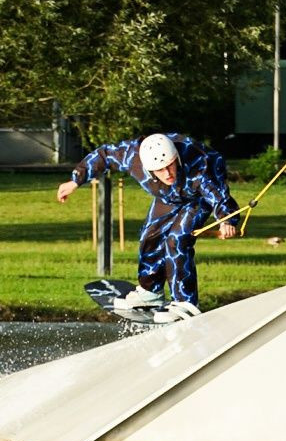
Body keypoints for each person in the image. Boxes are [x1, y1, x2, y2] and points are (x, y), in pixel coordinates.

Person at [57, 132, 238, 313]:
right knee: (149, 237)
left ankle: (186, 303)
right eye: (160, 170)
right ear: (149, 169)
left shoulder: (199, 168)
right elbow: (104, 155)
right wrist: (76, 180)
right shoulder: (132, 157)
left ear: (176, 159)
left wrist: (227, 220)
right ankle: (151, 292)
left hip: (198, 197)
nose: (167, 173)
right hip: (167, 196)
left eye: (170, 166)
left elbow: (218, 195)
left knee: (176, 240)